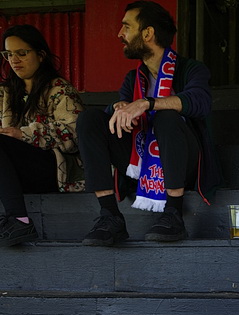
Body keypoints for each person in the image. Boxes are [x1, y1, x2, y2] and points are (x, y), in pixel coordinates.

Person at [77, 0, 219, 246]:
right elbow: (122, 108)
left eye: (126, 27)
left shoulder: (190, 69)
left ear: (147, 33)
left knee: (166, 115)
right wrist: (119, 108)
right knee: (90, 119)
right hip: (139, 161)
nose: (120, 34)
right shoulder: (133, 77)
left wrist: (148, 103)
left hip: (183, 162)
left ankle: (173, 213)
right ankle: (110, 216)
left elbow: (200, 101)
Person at [0, 25, 84, 247]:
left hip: (54, 168)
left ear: (40, 54)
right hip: (16, 172)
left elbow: (75, 133)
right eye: (9, 54)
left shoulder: (59, 89)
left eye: (22, 53)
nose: (14, 60)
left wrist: (24, 134)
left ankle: (19, 220)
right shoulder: (8, 92)